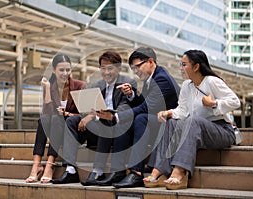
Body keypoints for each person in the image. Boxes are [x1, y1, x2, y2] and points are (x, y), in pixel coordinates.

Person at [143, 49, 241, 190]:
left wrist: (214, 104)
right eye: (181, 64)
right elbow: (182, 111)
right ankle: (159, 171)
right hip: (197, 130)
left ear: (196, 67)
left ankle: (180, 172)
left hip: (222, 130)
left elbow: (235, 101)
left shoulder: (212, 81)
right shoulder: (186, 86)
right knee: (171, 122)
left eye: (184, 64)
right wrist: (168, 112)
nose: (181, 68)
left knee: (193, 120)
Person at [96, 47, 180, 188]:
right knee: (128, 120)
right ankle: (118, 171)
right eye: (133, 68)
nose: (136, 71)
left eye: (137, 67)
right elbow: (144, 103)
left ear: (151, 61)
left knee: (140, 118)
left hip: (171, 126)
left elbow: (145, 108)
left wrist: (116, 116)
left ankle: (136, 172)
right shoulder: (152, 78)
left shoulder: (161, 79)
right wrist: (131, 94)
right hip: (157, 121)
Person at [51, 51, 137, 185]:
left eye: (110, 68)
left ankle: (98, 170)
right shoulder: (98, 84)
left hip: (116, 129)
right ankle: (70, 169)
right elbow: (87, 109)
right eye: (103, 68)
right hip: (98, 129)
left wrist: (98, 115)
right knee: (72, 121)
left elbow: (123, 109)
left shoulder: (128, 83)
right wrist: (89, 116)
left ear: (119, 68)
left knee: (106, 118)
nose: (106, 72)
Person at [25, 54, 86, 183]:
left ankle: (50, 164)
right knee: (44, 119)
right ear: (53, 70)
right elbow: (47, 112)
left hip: (74, 130)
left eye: (68, 70)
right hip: (55, 128)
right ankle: (36, 164)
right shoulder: (50, 86)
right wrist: (47, 89)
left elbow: (86, 115)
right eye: (61, 70)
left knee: (57, 119)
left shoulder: (80, 86)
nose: (65, 73)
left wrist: (67, 114)